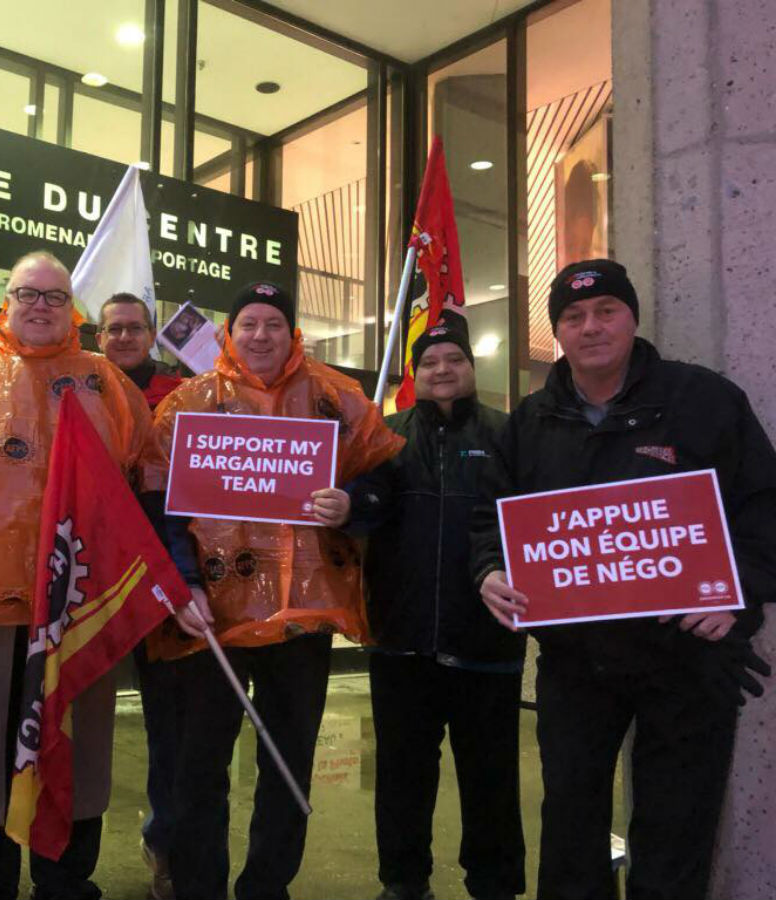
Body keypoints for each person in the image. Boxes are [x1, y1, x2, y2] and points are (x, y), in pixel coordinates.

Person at [471, 259, 776, 900]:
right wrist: (489, 570)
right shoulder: (530, 422)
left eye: (606, 310)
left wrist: (740, 593)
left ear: (632, 317)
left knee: (674, 832)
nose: (591, 327)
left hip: (688, 661)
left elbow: (764, 509)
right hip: (576, 665)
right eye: (573, 316)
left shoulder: (704, 401)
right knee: (570, 826)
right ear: (557, 330)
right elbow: (488, 518)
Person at [141, 281, 404, 900]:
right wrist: (180, 584)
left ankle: (266, 885)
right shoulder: (189, 402)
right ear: (230, 332)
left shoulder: (336, 395)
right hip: (211, 616)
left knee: (288, 766)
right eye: (249, 324)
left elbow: (386, 483)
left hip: (303, 620)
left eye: (273, 325)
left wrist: (353, 504)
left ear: (292, 332)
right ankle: (198, 884)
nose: (261, 335)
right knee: (198, 766)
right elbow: (159, 505)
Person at [0, 251, 153, 900]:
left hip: (77, 608)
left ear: (71, 306)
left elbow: (147, 480)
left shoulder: (106, 383)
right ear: (7, 300)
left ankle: (65, 881)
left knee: (73, 748)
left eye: (55, 296)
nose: (41, 306)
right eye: (29, 294)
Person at [346, 310, 524, 900]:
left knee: (491, 776)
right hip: (401, 640)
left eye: (453, 360)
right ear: (414, 374)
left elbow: (531, 523)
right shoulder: (385, 436)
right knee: (400, 774)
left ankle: (494, 883)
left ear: (472, 367)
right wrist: (347, 503)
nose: (442, 370)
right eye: (429, 363)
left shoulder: (509, 435)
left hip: (487, 642)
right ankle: (403, 881)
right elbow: (366, 505)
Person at [93, 291, 182, 900]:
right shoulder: (73, 386)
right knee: (76, 713)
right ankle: (63, 853)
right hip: (88, 576)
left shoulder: (184, 393)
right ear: (97, 336)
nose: (123, 336)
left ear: (151, 334)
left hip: (161, 576)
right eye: (112, 328)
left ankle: (166, 842)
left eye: (134, 327)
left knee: (170, 724)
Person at [96, 292, 182, 409]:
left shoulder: (178, 394)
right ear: (99, 340)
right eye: (114, 329)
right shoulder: (81, 390)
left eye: (136, 328)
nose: (125, 338)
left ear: (152, 337)